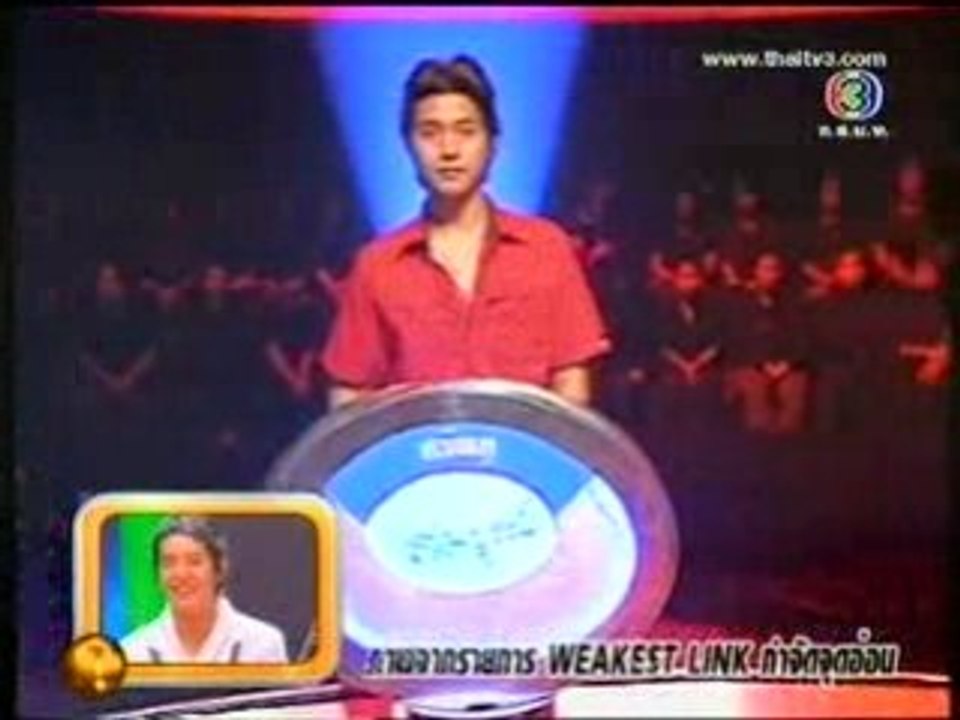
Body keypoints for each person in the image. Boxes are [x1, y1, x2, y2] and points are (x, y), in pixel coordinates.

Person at [321, 55, 610, 409]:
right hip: (420, 445)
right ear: (408, 145)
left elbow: (573, 387)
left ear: (492, 143)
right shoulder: (377, 265)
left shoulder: (546, 249)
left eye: (465, 131)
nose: (449, 150)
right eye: (430, 133)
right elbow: (348, 396)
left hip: (522, 444)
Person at [120, 516, 288, 664]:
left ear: (219, 570)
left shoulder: (263, 644)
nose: (181, 574)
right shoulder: (131, 651)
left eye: (194, 561)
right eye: (169, 563)